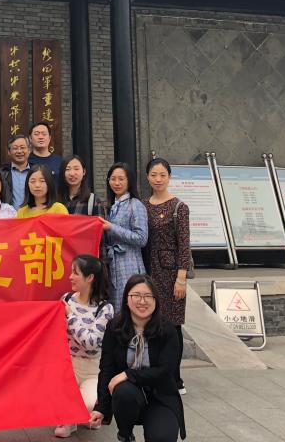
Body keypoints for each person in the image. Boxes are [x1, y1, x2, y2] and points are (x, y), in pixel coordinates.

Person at [89, 275, 186, 442]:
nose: (142, 301)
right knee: (123, 391)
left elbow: (165, 371)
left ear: (156, 300)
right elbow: (106, 369)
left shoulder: (167, 329)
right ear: (127, 299)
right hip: (129, 397)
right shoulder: (115, 327)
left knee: (162, 438)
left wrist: (128, 374)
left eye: (148, 296)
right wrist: (101, 407)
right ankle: (125, 435)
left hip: (160, 396)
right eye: (136, 295)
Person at [144, 157, 190, 395]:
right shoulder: (143, 205)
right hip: (149, 272)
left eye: (162, 175)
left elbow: (184, 245)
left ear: (169, 177)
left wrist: (181, 278)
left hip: (171, 274)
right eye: (154, 175)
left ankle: (175, 378)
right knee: (152, 325)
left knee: (173, 327)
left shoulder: (179, 207)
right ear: (147, 177)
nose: (158, 179)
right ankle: (156, 375)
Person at [54, 254, 114, 438]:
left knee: (88, 403)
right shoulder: (67, 299)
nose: (70, 277)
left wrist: (70, 316)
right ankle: (69, 419)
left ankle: (88, 413)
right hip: (67, 366)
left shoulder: (105, 309)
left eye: (75, 273)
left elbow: (91, 343)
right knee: (51, 392)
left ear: (90, 278)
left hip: (92, 371)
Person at [103, 162, 149, 315]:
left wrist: (112, 227)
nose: (117, 183)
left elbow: (142, 238)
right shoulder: (111, 206)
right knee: (115, 309)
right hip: (113, 264)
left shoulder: (135, 204)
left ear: (129, 181)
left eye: (121, 179)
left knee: (130, 308)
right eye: (113, 179)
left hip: (130, 264)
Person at [2, 133, 32, 208]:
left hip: (33, 214)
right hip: (10, 214)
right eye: (15, 148)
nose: (19, 151)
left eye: (22, 147)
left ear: (29, 150)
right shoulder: (2, 173)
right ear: (9, 152)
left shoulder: (36, 172)